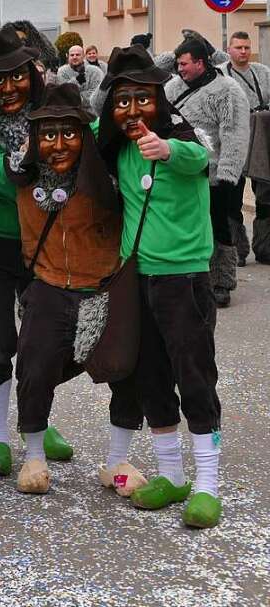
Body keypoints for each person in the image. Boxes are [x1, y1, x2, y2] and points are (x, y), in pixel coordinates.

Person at [0, 82, 145, 495]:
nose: (58, 144)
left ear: (84, 136)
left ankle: (118, 461)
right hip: (49, 286)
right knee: (34, 370)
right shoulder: (22, 176)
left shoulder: (109, 177)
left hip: (105, 287)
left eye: (68, 133)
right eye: (48, 133)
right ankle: (33, 455)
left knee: (128, 371)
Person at [96, 45, 224, 529]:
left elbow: (198, 157)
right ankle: (171, 475)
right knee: (150, 375)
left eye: (141, 99)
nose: (132, 110)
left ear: (159, 98)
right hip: (137, 276)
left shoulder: (180, 136)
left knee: (194, 374)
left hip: (184, 277)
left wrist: (166, 148)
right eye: (122, 101)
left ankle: (208, 483)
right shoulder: (118, 145)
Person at [0, 27, 75, 478]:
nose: (7, 88)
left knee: (43, 341)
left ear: (32, 75)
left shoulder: (51, 116)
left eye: (16, 77)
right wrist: (19, 166)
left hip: (44, 241)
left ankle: (38, 421)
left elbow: (83, 147)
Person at [164, 33, 250, 308]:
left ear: (201, 63)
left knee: (219, 228)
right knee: (188, 227)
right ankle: (192, 278)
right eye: (177, 64)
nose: (179, 69)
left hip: (214, 174)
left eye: (184, 64)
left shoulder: (228, 91)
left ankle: (222, 281)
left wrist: (227, 174)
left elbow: (235, 133)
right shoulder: (173, 88)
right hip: (180, 171)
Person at [221, 30, 270, 265]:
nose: (243, 52)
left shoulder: (263, 73)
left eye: (247, 47)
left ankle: (265, 246)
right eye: (239, 47)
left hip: (262, 140)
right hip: (233, 142)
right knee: (232, 198)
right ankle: (234, 249)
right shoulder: (221, 74)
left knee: (265, 197)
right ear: (229, 49)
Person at [57, 45, 104, 111]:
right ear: (67, 56)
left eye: (77, 55)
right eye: (72, 55)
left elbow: (97, 96)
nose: (74, 57)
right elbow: (64, 95)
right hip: (71, 113)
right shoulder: (62, 71)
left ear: (83, 56)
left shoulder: (95, 71)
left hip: (92, 114)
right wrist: (76, 81)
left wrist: (76, 96)